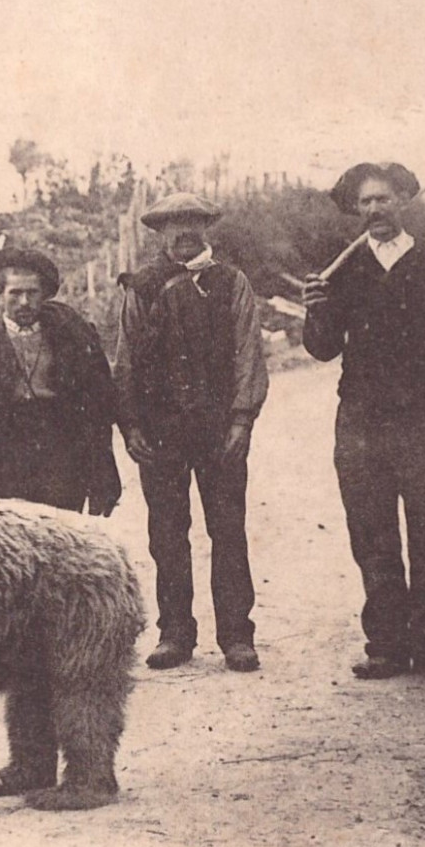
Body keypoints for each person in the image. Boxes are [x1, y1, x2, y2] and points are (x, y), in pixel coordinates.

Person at [301, 162, 425, 685]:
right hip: (360, 421)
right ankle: (385, 646)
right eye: (365, 202)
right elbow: (322, 349)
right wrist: (314, 311)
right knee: (372, 535)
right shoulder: (342, 270)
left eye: (384, 199)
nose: (375, 209)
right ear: (355, 210)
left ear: (404, 201)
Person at [113, 193, 269, 673]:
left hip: (220, 429)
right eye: (172, 224)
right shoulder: (142, 286)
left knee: (227, 530)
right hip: (162, 432)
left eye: (192, 222)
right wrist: (131, 424)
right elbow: (126, 361)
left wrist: (242, 419)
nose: (183, 231)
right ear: (159, 232)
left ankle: (236, 636)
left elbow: (248, 351)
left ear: (207, 228)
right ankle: (174, 633)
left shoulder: (231, 282)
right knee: (167, 533)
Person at [0, 246, 120, 515]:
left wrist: (100, 475)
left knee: (57, 543)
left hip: (56, 463)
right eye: (15, 293)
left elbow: (97, 407)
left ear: (44, 294)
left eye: (32, 293)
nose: (24, 302)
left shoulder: (68, 334)